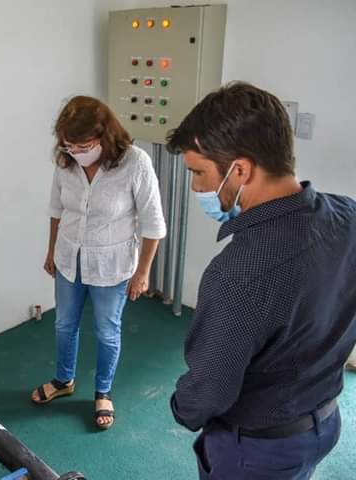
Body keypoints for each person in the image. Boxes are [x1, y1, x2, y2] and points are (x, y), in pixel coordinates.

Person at [167, 81, 356, 479]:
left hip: (257, 451)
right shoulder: (348, 217)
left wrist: (182, 408)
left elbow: (208, 392)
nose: (196, 187)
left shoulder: (238, 273)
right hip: (324, 422)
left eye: (198, 172)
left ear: (240, 170)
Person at [30, 96, 166, 430]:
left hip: (112, 264)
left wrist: (143, 272)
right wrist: (51, 251)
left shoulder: (135, 163)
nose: (76, 152)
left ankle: (103, 391)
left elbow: (153, 224)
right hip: (69, 257)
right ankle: (64, 380)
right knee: (64, 324)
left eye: (84, 146)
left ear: (105, 134)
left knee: (107, 330)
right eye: (69, 145)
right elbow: (57, 209)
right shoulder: (66, 161)